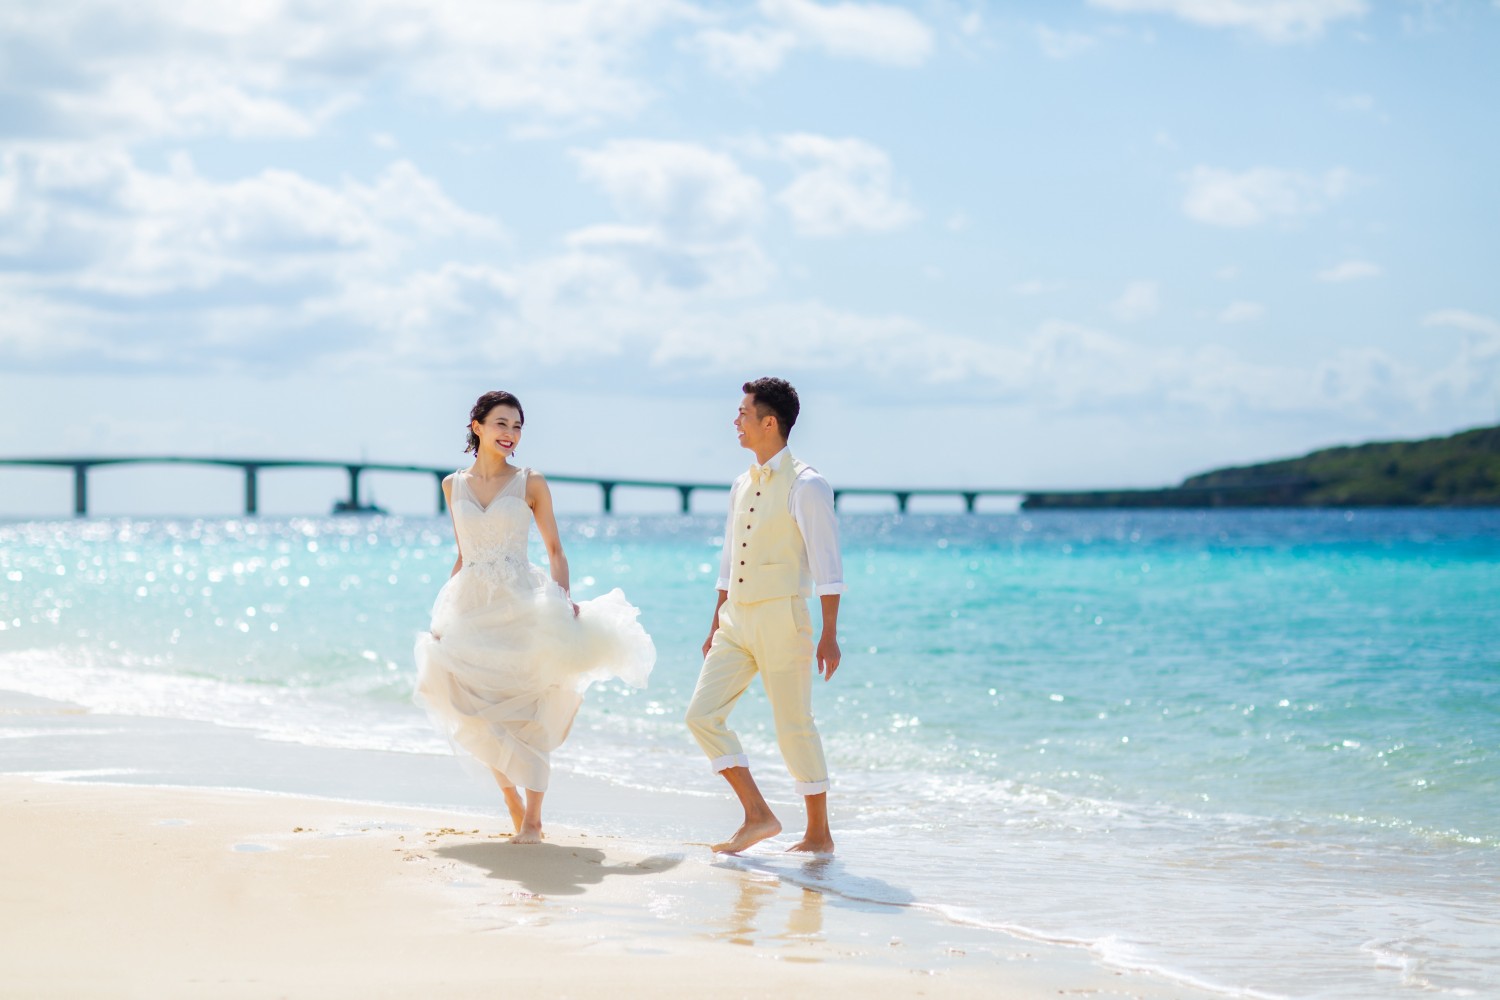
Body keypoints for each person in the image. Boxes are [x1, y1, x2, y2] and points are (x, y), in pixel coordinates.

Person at [414, 390, 654, 843]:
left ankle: (534, 820)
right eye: (502, 424)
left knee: (529, 709)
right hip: (471, 607)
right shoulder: (452, 485)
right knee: (475, 708)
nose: (511, 434)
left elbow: (556, 551)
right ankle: (511, 800)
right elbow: (463, 555)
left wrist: (562, 605)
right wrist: (443, 614)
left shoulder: (531, 482)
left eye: (518, 426)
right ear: (477, 426)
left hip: (523, 603)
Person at [685, 377, 845, 854]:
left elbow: (827, 566)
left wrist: (829, 635)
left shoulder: (808, 484)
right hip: (736, 620)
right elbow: (728, 560)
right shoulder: (741, 482)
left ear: (768, 422)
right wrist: (716, 622)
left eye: (742, 413)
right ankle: (757, 815)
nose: (735, 421)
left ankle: (819, 835)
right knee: (701, 716)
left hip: (783, 618)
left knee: (794, 724)